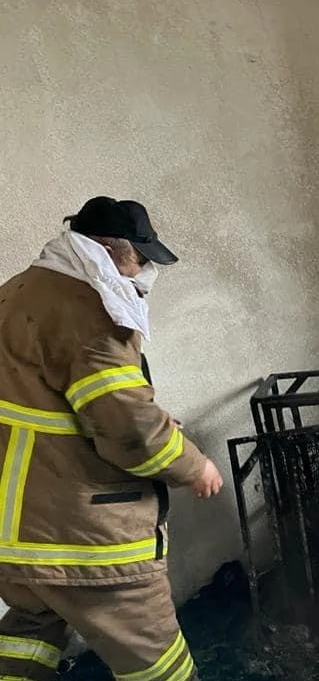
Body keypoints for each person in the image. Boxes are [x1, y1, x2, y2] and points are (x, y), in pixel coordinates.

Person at [0, 196, 223, 681]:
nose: (143, 273)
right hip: (85, 538)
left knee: (29, 636)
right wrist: (195, 466)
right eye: (141, 259)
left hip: (19, 535)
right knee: (159, 664)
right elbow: (131, 432)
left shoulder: (17, 293)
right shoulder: (89, 310)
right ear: (108, 250)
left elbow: (59, 405)